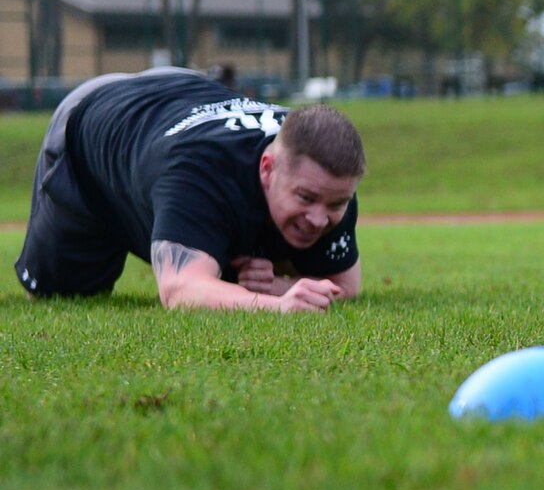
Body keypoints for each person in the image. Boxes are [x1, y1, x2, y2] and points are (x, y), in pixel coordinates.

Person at [15, 67, 364, 312]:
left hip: (185, 86)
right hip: (92, 119)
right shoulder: (197, 169)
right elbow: (180, 290)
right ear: (268, 169)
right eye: (306, 199)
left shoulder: (325, 167)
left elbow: (343, 285)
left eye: (336, 203)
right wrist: (278, 306)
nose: (320, 218)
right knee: (59, 295)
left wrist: (279, 285)